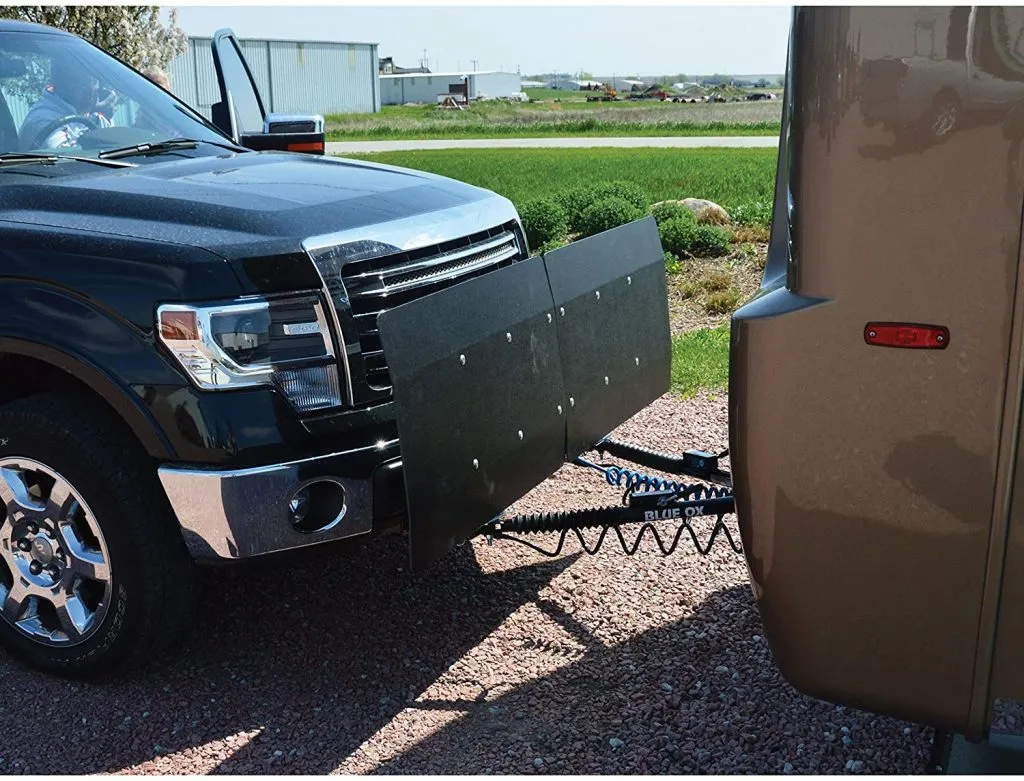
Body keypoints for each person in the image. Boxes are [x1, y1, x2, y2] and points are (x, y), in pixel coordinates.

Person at [19, 57, 112, 149]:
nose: (90, 90)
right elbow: (68, 161)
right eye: (81, 83)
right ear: (59, 82)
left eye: (94, 82)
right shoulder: (43, 120)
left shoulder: (94, 115)